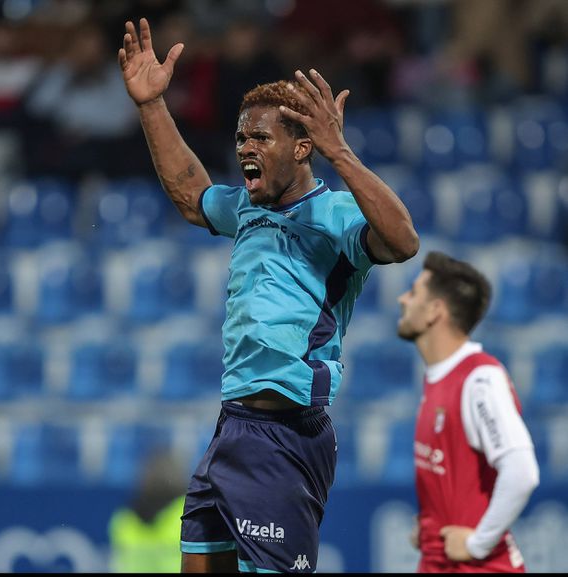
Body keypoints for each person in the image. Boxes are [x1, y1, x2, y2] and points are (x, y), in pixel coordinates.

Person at [117, 17, 419, 573]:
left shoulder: (337, 215)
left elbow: (403, 242)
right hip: (231, 425)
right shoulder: (246, 208)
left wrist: (341, 152)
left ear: (303, 147)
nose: (245, 149)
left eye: (260, 138)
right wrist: (152, 105)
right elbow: (191, 196)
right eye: (241, 138)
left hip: (286, 435)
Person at [397, 251, 540, 573]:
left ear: (435, 310)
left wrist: (477, 544)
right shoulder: (440, 377)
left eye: (414, 292)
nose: (402, 299)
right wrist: (431, 525)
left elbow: (522, 471)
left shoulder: (479, 379)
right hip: (438, 563)